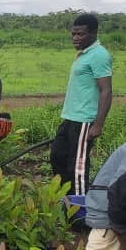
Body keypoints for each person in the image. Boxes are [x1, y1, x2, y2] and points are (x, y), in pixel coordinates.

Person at [50, 13, 113, 196]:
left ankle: (80, 216)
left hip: (85, 120)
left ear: (93, 33)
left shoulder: (99, 55)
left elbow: (106, 91)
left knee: (77, 168)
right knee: (57, 156)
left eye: (81, 34)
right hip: (70, 117)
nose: (76, 38)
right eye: (74, 34)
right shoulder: (83, 54)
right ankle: (66, 201)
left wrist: (98, 124)